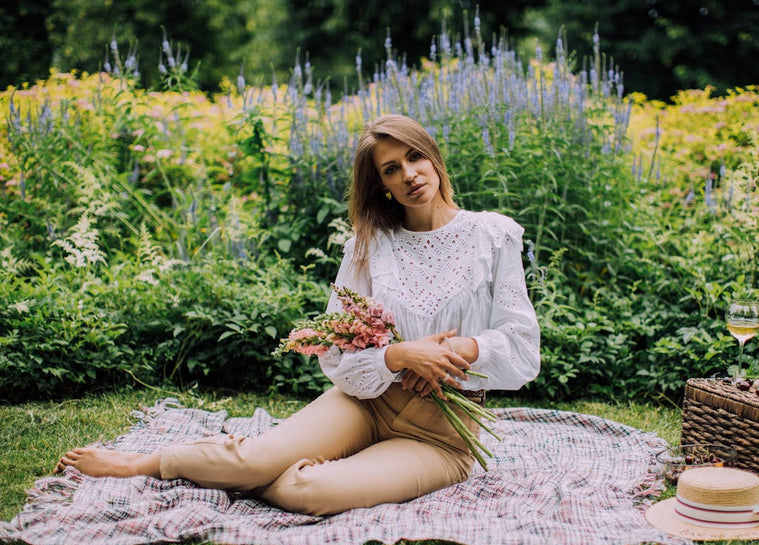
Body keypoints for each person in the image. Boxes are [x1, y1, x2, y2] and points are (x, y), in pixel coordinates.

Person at [55, 114, 541, 516]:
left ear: (433, 158)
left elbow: (521, 346)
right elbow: (335, 348)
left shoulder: (492, 236)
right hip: (364, 402)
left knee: (307, 492)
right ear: (382, 186)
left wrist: (458, 349)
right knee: (255, 458)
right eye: (391, 169)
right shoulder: (370, 246)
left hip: (438, 434)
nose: (409, 174)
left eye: (414, 157)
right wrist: (397, 355)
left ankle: (240, 469)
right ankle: (140, 464)